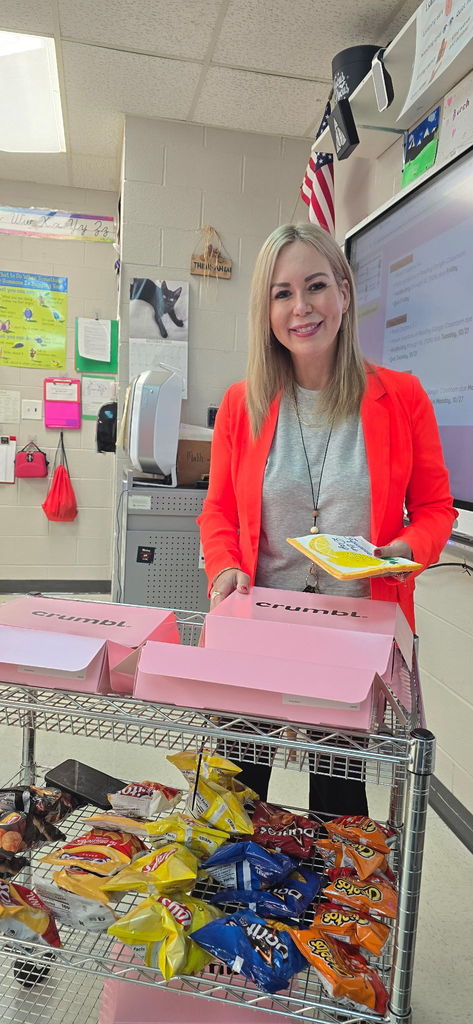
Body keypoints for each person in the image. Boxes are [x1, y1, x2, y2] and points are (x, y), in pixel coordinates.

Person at [197, 222, 456, 814]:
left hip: (353, 635)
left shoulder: (402, 397)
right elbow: (217, 510)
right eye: (281, 293)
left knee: (339, 803)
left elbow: (436, 509)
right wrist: (224, 570)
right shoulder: (243, 403)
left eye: (315, 286)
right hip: (259, 627)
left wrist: (404, 550)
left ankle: (334, 908)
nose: (301, 307)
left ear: (344, 290)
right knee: (235, 799)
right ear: (266, 309)